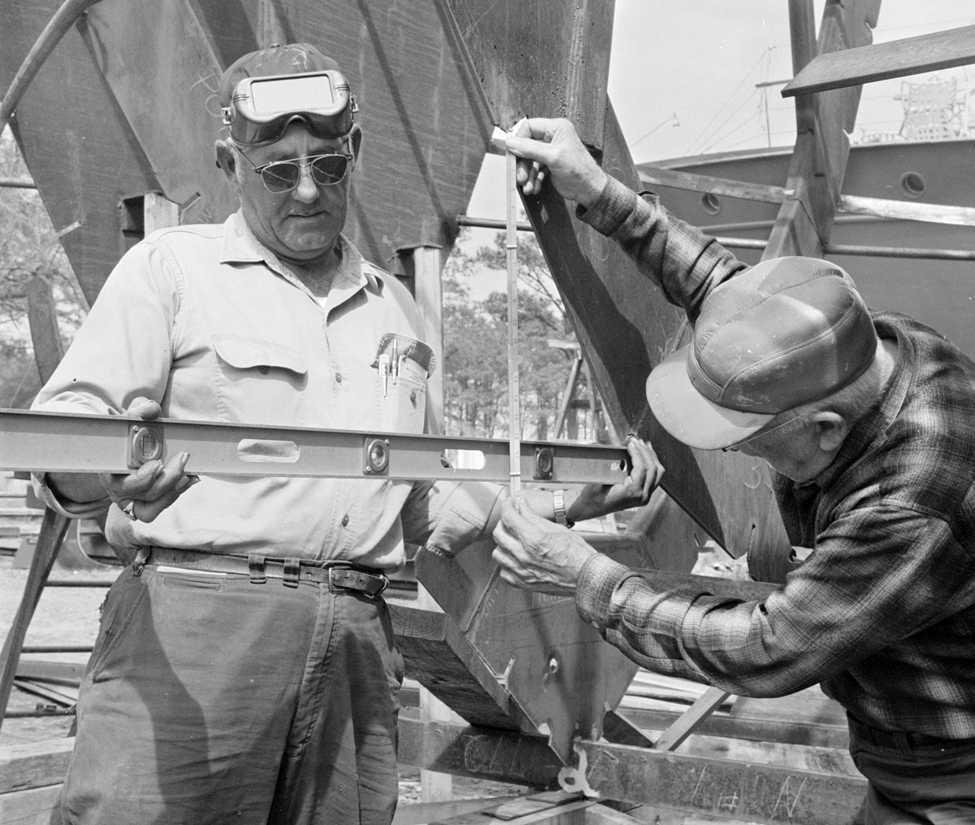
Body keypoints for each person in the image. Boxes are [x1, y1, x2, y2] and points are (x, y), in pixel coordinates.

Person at [29, 55, 658, 825]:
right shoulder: (171, 273)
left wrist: (578, 499)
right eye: (276, 169)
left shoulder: (392, 311)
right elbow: (66, 437)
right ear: (231, 163)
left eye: (327, 165)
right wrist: (108, 478)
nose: (306, 189)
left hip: (355, 643)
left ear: (354, 152)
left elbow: (429, 503)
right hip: (198, 630)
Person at [491, 117, 975, 823]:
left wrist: (583, 575)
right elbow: (722, 287)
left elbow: (765, 647)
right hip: (901, 758)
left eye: (749, 438)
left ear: (824, 428)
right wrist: (598, 192)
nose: (736, 452)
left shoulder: (908, 501)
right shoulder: (858, 345)